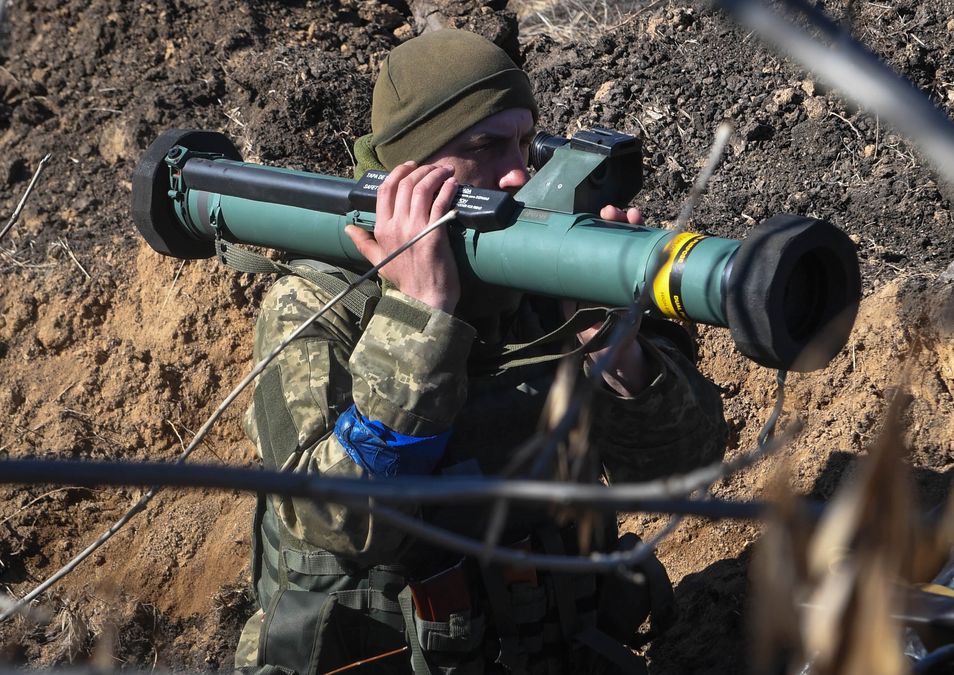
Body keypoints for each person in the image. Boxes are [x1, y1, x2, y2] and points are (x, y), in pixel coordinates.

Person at [234, 28, 726, 675]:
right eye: (484, 146)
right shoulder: (319, 303)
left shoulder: (546, 288)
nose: (518, 173)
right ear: (409, 170)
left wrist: (611, 348)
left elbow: (680, 477)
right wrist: (420, 316)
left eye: (524, 142)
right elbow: (336, 523)